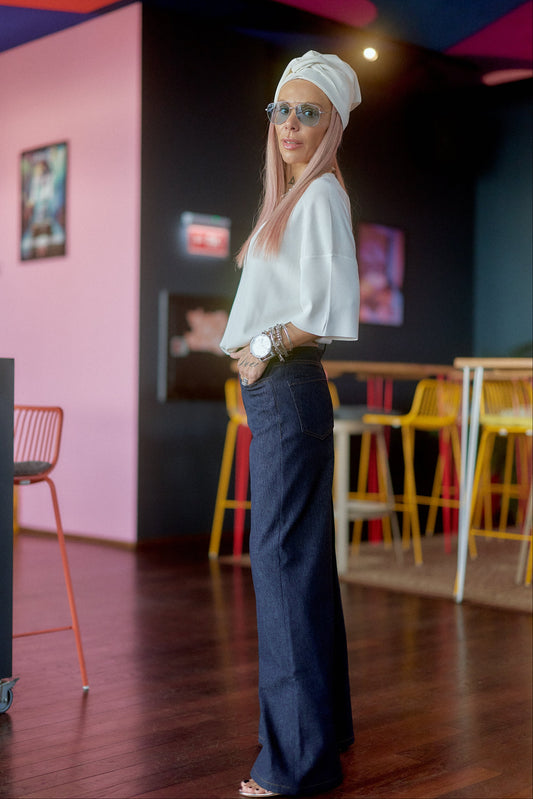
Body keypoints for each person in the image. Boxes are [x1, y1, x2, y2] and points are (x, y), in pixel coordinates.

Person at [219, 51, 361, 797]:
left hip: (286, 389)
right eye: (282, 110)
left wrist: (263, 346)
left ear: (332, 122)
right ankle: (323, 734)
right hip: (282, 395)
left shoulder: (321, 198)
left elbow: (330, 312)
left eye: (308, 112)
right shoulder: (298, 200)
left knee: (280, 573)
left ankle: (293, 765)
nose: (291, 125)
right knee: (297, 568)